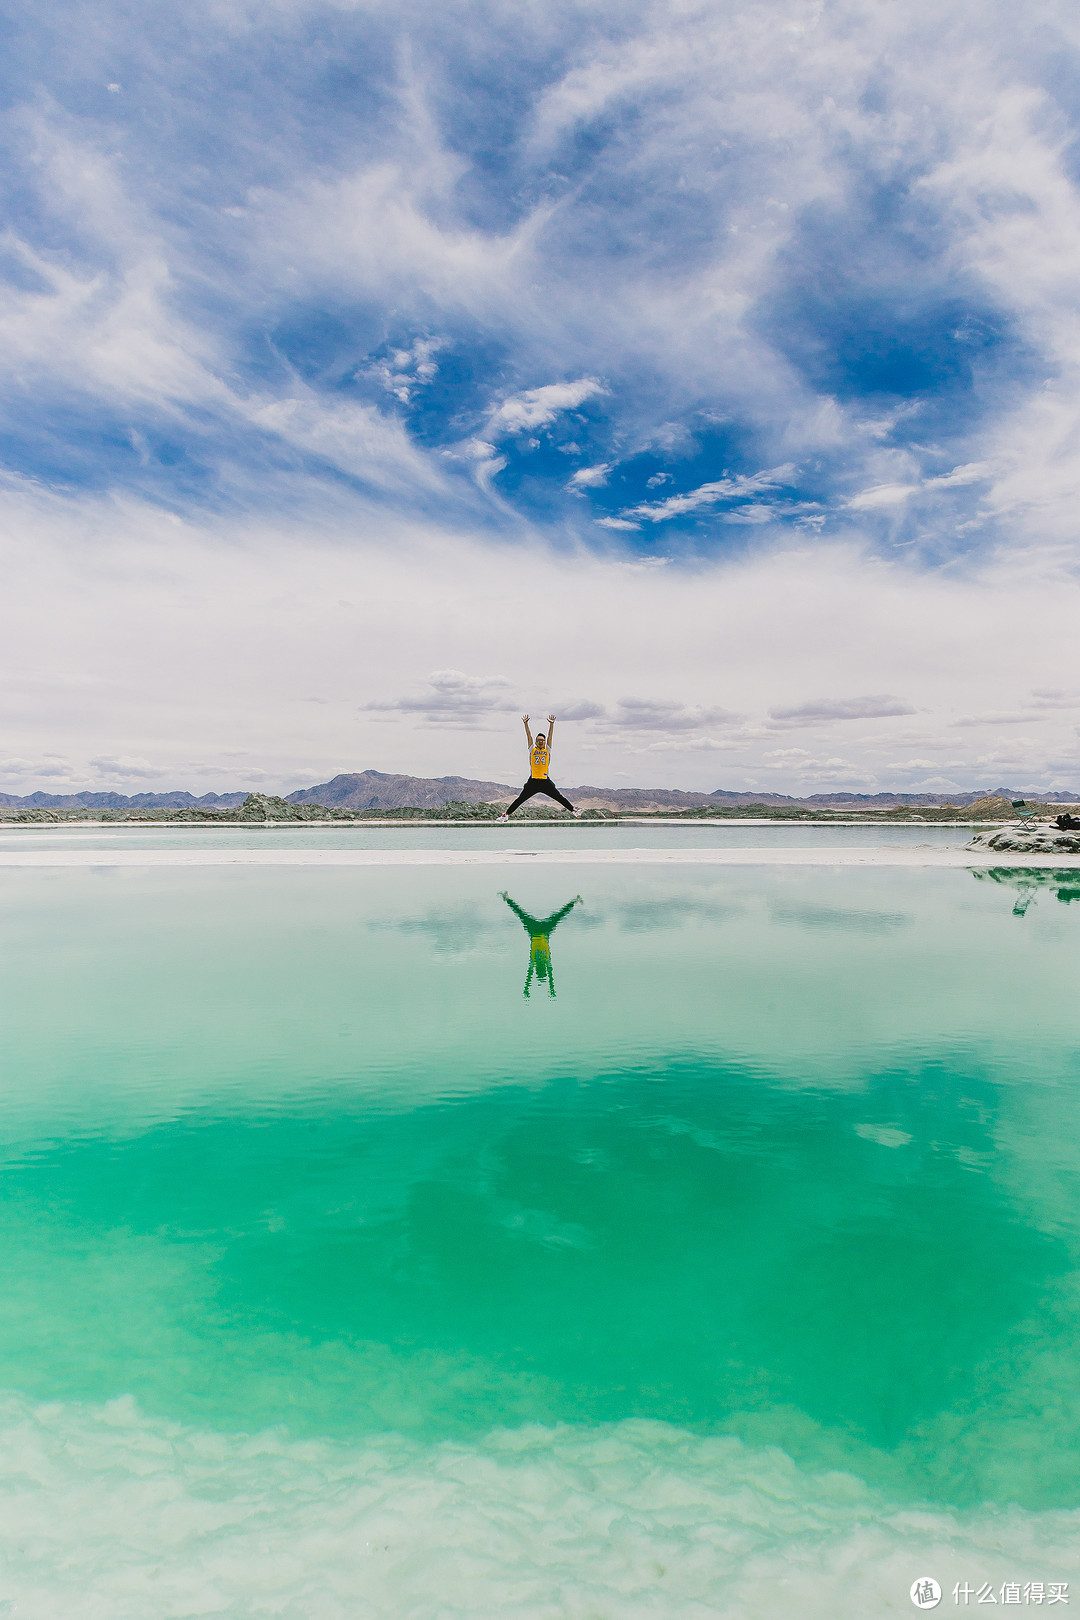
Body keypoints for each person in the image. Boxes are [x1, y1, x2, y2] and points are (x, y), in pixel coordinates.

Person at [500, 892, 581, 997]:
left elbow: (533, 975)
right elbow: (545, 976)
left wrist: (527, 988)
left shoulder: (538, 961)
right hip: (540, 932)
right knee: (558, 915)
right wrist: (550, 988)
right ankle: (575, 901)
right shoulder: (541, 961)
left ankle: (507, 899)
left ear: (539, 969)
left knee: (521, 913)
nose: (542, 968)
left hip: (537, 932)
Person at [498, 714, 578, 819]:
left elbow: (550, 736)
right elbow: (528, 736)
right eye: (539, 740)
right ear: (536, 742)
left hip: (545, 781)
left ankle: (574, 810)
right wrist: (526, 724)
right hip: (533, 782)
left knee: (559, 797)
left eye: (542, 740)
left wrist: (551, 724)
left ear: (545, 742)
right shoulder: (532, 749)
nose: (541, 741)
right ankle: (506, 815)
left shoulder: (547, 749)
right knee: (520, 799)